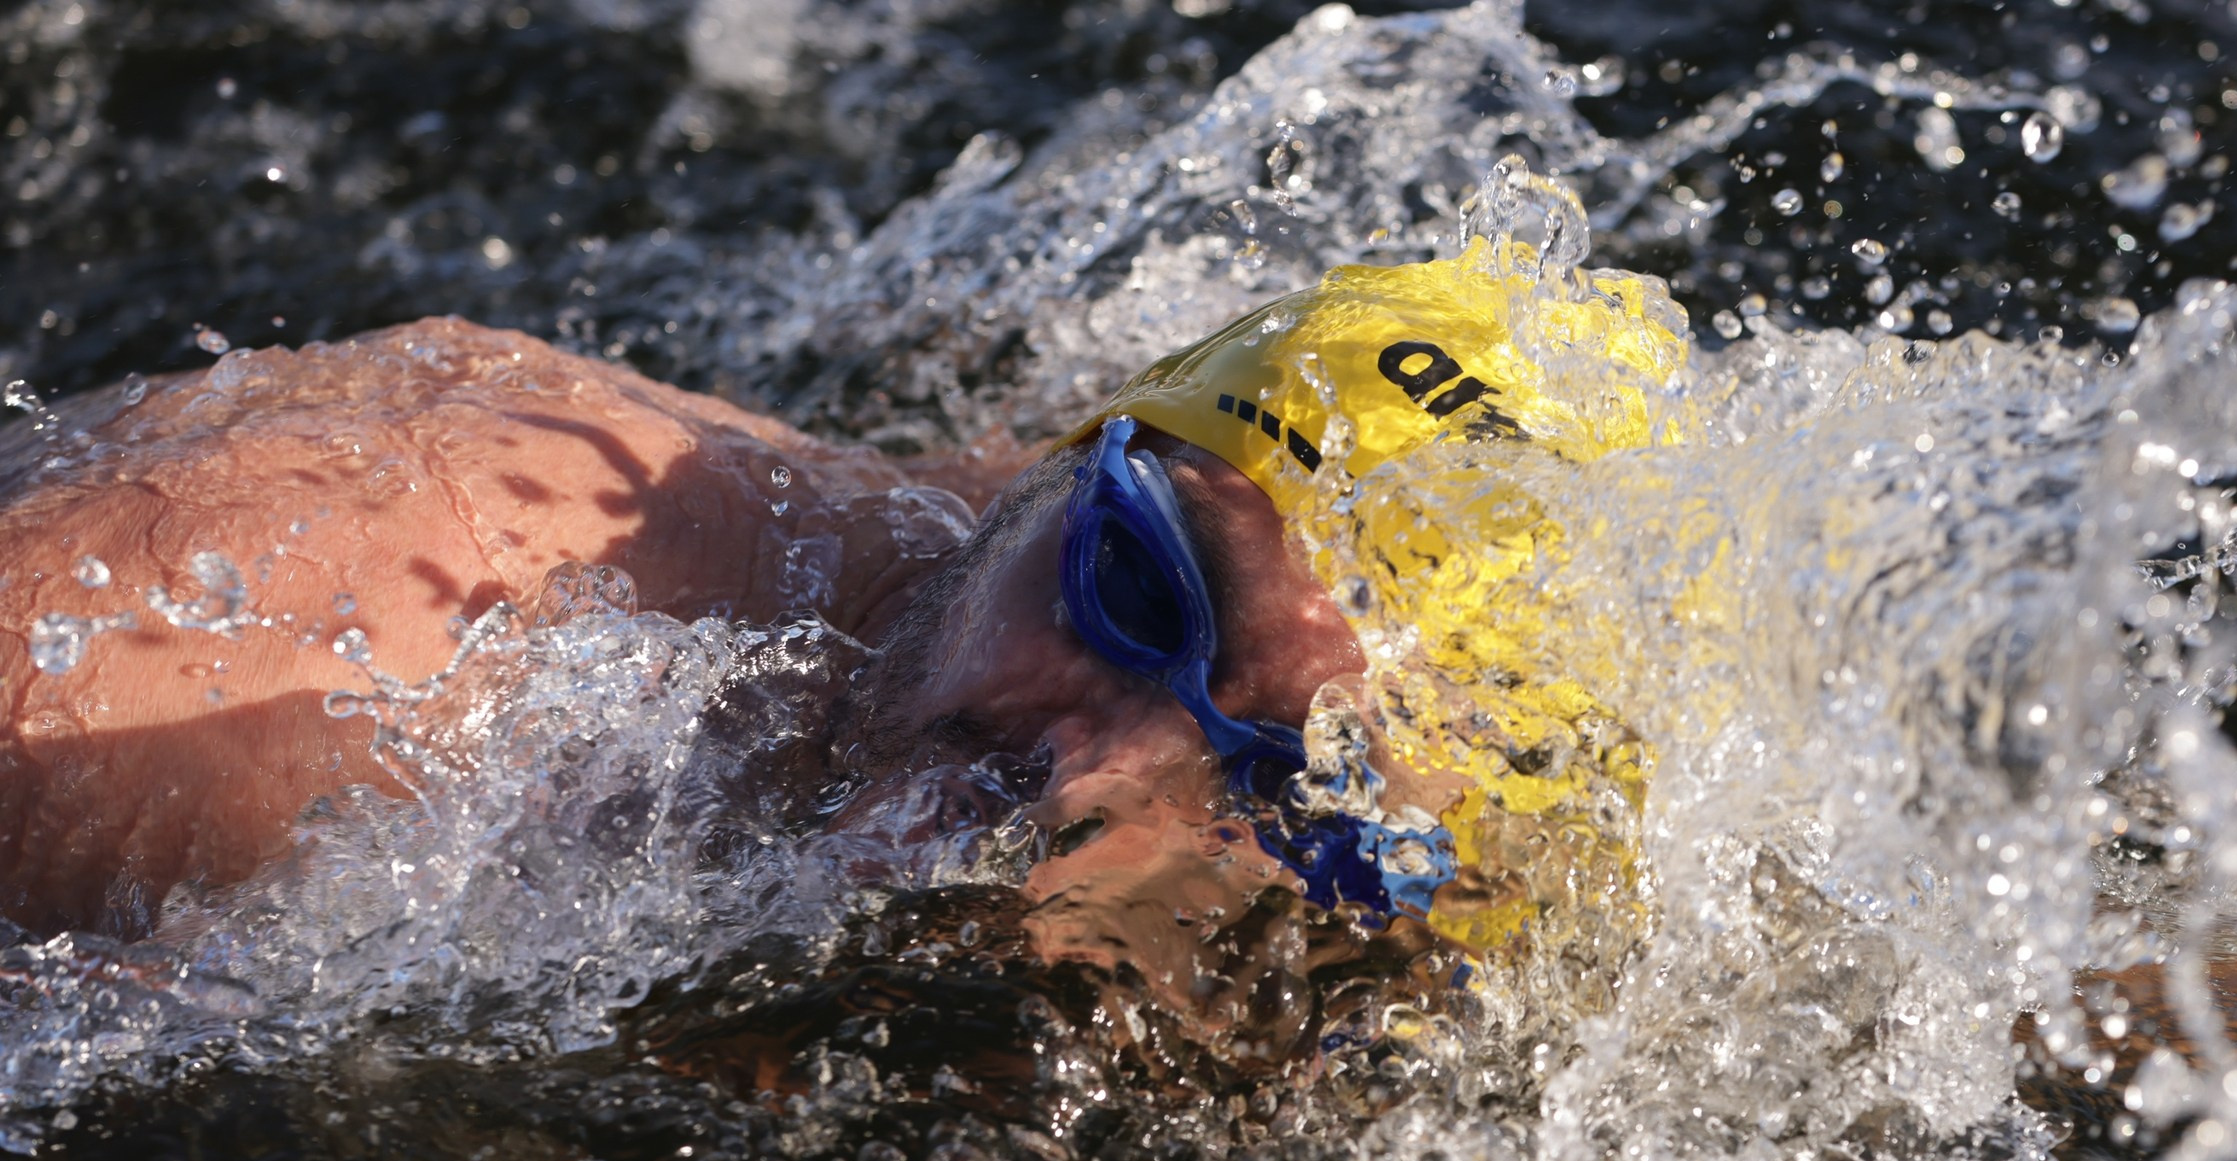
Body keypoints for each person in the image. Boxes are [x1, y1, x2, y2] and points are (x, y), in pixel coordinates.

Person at [0, 254, 1687, 977]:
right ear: (1048, 465)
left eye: (1298, 788)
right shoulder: (387, 623)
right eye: (1132, 586)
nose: (1090, 771)